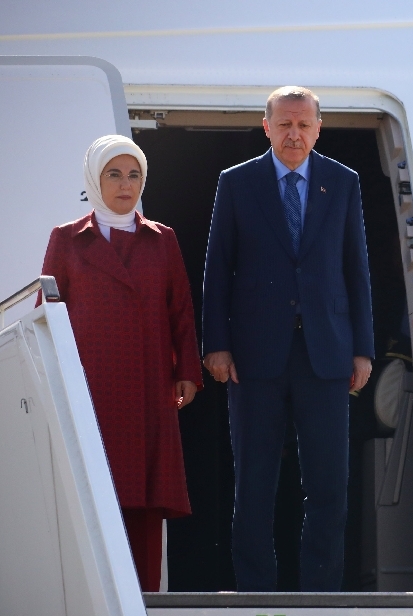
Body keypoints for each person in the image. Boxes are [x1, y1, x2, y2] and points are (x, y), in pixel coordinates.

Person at [202, 86, 375, 592]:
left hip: (326, 354)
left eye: (303, 124)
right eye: (284, 124)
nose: (294, 134)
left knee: (328, 487)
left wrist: (362, 348)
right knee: (254, 484)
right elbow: (218, 269)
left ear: (318, 128)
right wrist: (216, 343)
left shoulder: (342, 182)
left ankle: (321, 596)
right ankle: (256, 595)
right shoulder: (237, 183)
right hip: (254, 356)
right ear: (267, 127)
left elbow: (356, 268)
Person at [39, 135, 203, 592]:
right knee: (90, 499)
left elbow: (181, 309)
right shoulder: (67, 239)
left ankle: (143, 600)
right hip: (88, 389)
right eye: (114, 174)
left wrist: (187, 372)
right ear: (94, 179)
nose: (125, 184)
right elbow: (46, 316)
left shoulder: (162, 239)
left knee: (145, 503)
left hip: (149, 388)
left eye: (134, 175)